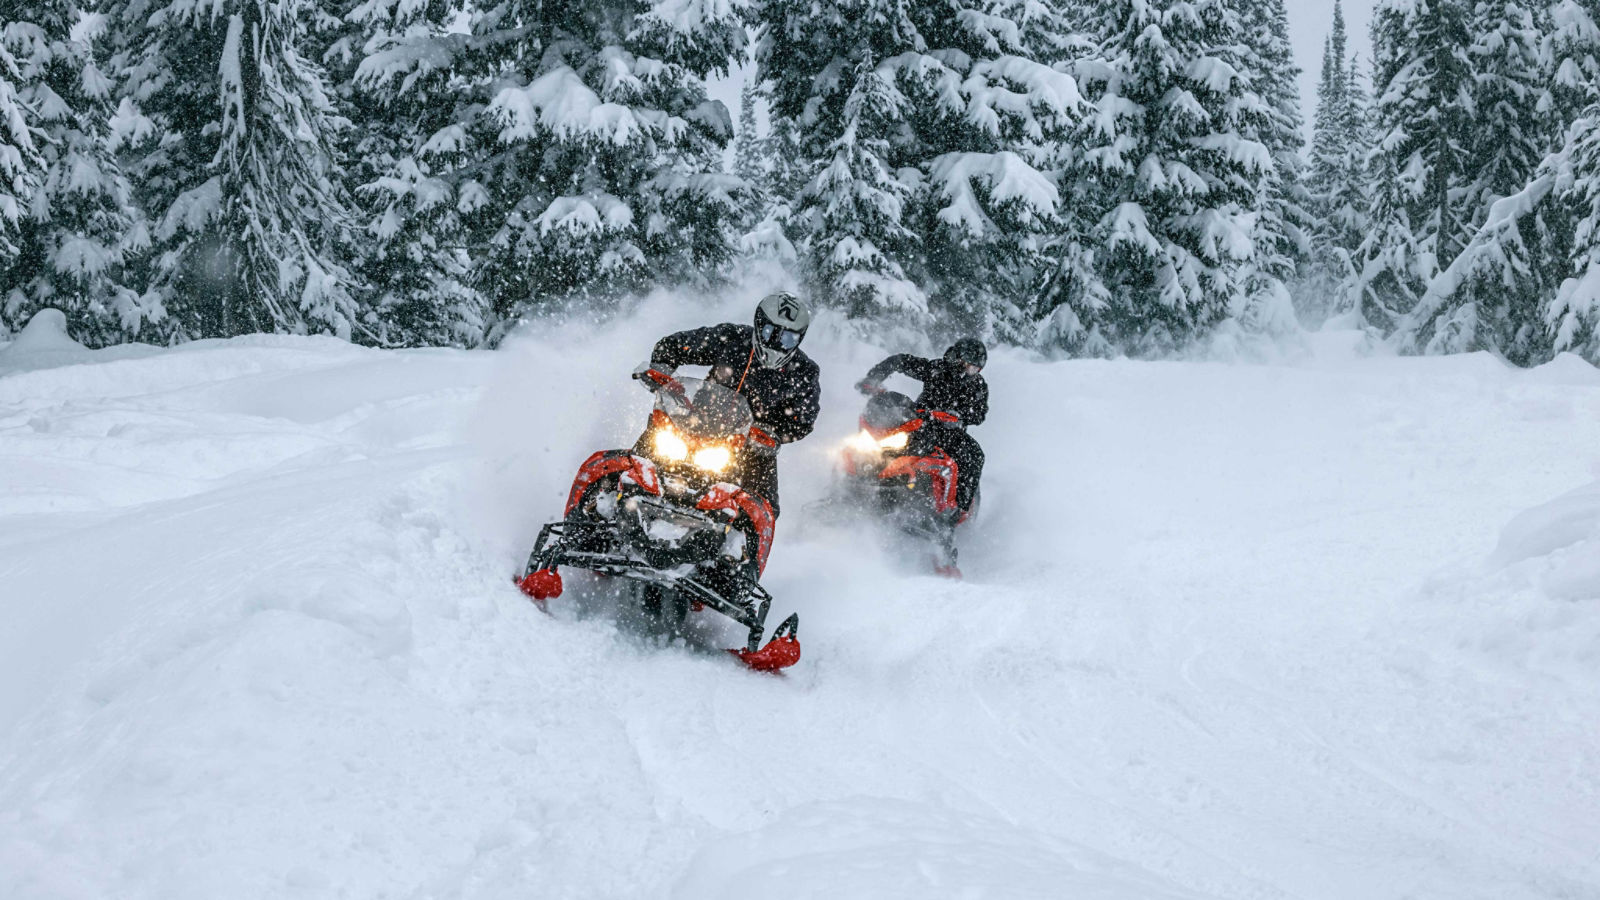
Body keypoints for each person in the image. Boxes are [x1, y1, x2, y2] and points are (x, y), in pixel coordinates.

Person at [633, 291, 821, 516]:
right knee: (637, 460)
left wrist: (773, 433)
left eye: (787, 338)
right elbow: (676, 345)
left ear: (799, 339)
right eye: (771, 332)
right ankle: (597, 510)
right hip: (695, 422)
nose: (776, 343)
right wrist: (662, 370)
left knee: (764, 507)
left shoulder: (804, 371)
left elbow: (802, 420)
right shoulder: (733, 338)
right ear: (759, 324)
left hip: (750, 445)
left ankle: (740, 548)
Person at [855, 338, 987, 518]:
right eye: (969, 366)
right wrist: (874, 378)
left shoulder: (977, 385)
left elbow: (979, 413)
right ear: (958, 359)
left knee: (974, 454)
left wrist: (957, 416)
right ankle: (854, 480)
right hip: (919, 422)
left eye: (975, 369)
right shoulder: (936, 369)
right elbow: (901, 361)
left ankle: (956, 510)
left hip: (949, 433)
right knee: (880, 440)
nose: (971, 372)